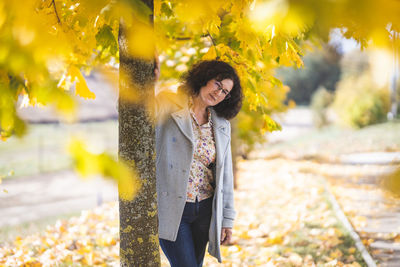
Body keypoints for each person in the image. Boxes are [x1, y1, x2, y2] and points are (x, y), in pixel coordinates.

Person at [155, 60, 243, 266]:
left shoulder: (221, 124)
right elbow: (132, 111)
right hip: (173, 208)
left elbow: (225, 175)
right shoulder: (169, 103)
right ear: (204, 77)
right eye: (217, 85)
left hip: (205, 211)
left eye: (225, 92)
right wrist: (150, 81)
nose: (218, 93)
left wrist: (227, 219)